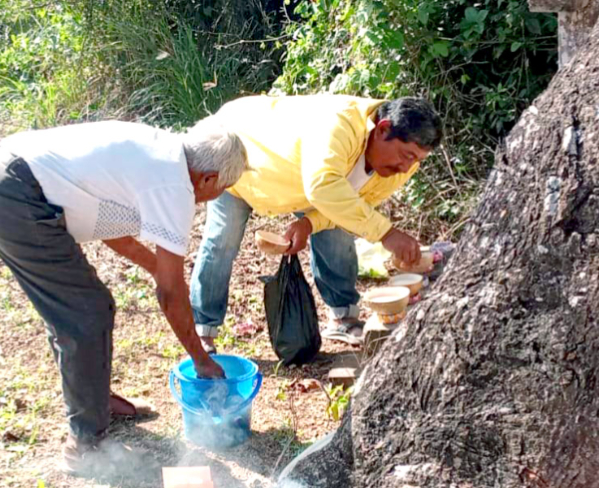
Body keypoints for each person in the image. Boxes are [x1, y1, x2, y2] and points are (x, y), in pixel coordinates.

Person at [0, 120, 248, 472]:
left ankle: (94, 405)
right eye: (223, 187)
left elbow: (112, 231)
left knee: (86, 310)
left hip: (2, 177)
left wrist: (156, 268)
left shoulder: (160, 152)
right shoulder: (175, 185)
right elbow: (171, 293)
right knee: (85, 314)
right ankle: (85, 446)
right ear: (207, 179)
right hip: (15, 197)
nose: (216, 196)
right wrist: (201, 359)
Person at [190, 95, 443, 348]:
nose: (407, 167)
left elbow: (352, 206)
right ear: (383, 129)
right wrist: (386, 234)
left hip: (301, 185)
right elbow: (323, 187)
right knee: (222, 241)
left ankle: (343, 318)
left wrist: (309, 223)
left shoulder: (403, 165)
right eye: (405, 155)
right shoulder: (339, 123)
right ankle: (203, 330)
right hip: (237, 153)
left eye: (417, 160)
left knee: (341, 228)